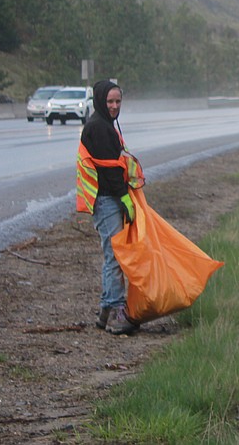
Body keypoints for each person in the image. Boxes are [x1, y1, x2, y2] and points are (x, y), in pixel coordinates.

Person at [76, 79, 143, 335]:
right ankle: (116, 312)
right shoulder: (99, 128)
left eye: (118, 101)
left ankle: (105, 311)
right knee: (115, 256)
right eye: (110, 101)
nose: (114, 106)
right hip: (106, 201)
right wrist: (124, 198)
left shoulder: (105, 124)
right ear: (100, 101)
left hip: (107, 199)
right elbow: (110, 170)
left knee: (112, 254)